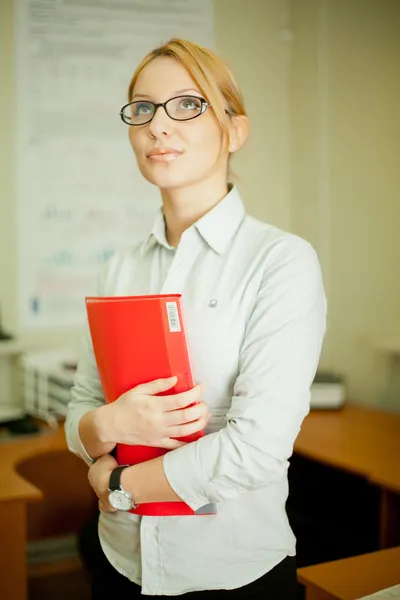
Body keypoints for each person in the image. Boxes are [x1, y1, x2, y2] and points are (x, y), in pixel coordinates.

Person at [65, 38, 326, 599]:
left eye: (188, 104)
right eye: (142, 109)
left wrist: (117, 484)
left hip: (232, 573)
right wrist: (106, 427)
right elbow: (81, 404)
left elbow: (255, 447)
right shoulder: (119, 267)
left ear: (234, 131)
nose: (159, 126)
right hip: (121, 561)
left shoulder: (280, 261)